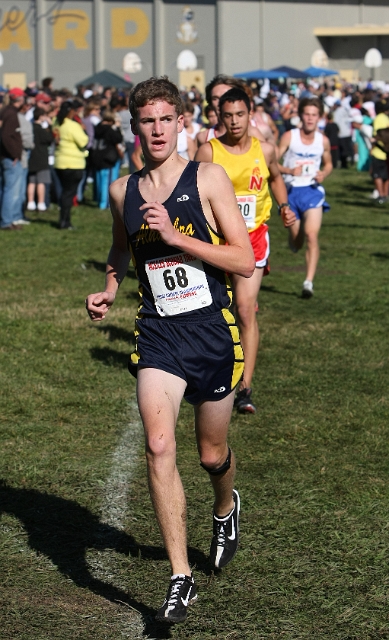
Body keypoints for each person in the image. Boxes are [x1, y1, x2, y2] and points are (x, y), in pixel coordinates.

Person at [86, 77, 255, 624]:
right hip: (158, 332)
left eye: (165, 119)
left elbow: (243, 260)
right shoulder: (122, 190)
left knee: (210, 455)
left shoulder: (207, 178)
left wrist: (180, 238)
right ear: (133, 127)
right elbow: (120, 244)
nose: (156, 130)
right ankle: (181, 577)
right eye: (146, 121)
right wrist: (110, 288)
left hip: (211, 330)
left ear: (181, 122)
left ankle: (226, 505)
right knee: (159, 446)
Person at [195, 88, 295, 414]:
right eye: (228, 115)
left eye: (240, 114)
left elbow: (276, 178)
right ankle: (209, 371)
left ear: (250, 113)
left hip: (253, 238)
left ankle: (246, 387)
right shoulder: (208, 152)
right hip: (216, 243)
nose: (235, 121)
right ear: (219, 117)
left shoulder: (264, 150)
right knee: (211, 311)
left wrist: (283, 205)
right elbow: (191, 194)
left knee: (245, 308)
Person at [278, 97, 333, 298]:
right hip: (290, 192)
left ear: (320, 117)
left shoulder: (323, 140)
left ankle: (308, 282)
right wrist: (289, 170)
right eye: (307, 114)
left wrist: (323, 174)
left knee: (311, 235)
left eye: (314, 115)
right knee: (297, 241)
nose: (310, 119)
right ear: (301, 116)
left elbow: (328, 163)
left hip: (312, 191)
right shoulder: (289, 137)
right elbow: (272, 163)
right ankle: (294, 238)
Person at [196, 74, 265, 146]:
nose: (220, 102)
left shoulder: (252, 133)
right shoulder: (203, 138)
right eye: (215, 98)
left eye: (225, 96)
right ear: (210, 103)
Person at [54, 101, 88, 229]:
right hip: (73, 163)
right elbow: (83, 141)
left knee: (64, 192)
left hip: (60, 161)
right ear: (71, 111)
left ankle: (63, 219)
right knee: (69, 194)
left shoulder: (56, 123)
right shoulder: (72, 125)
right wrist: (83, 131)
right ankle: (65, 221)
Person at [0, 88, 25, 230]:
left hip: (4, 156)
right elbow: (6, 137)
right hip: (9, 158)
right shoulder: (11, 114)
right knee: (11, 190)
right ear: (19, 99)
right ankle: (7, 220)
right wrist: (14, 154)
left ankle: (6, 218)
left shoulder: (4, 111)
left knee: (4, 189)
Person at [27, 107, 53, 211]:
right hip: (41, 158)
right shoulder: (41, 130)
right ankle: (41, 203)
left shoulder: (30, 127)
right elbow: (50, 139)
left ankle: (30, 202)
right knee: (41, 182)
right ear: (41, 116)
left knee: (32, 182)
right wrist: (50, 126)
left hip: (32, 157)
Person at [370, 100, 389, 204]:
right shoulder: (386, 118)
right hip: (387, 152)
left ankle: (381, 195)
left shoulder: (378, 118)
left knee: (377, 175)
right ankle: (385, 195)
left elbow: (378, 134)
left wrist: (372, 145)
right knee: (386, 176)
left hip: (379, 151)